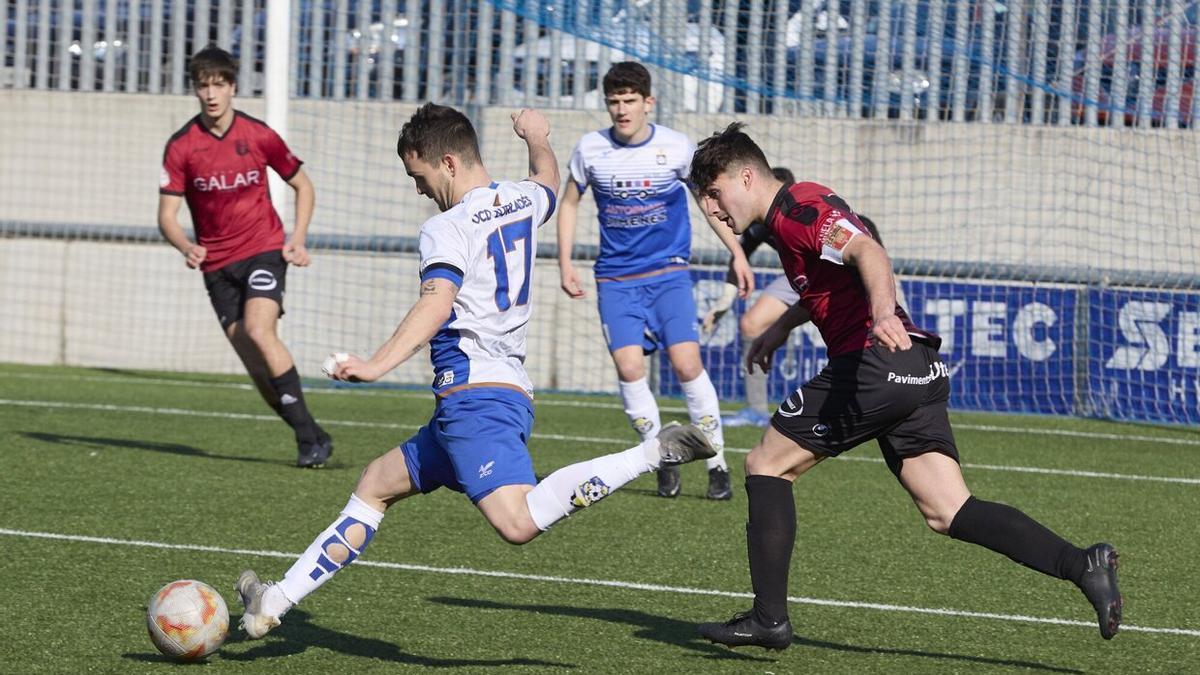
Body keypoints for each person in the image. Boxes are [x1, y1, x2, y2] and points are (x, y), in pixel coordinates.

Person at [234, 104, 717, 638]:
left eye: (419, 176)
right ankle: (273, 601)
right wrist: (537, 136)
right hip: (479, 400)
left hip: (475, 398)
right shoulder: (519, 201)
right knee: (375, 484)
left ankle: (653, 451)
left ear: (446, 161)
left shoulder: (446, 226)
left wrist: (374, 364)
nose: (418, 189)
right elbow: (549, 180)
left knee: (517, 522)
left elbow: (437, 303)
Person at [687, 123, 1122, 650]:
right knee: (948, 509)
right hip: (915, 367)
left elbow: (868, 252)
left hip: (875, 364)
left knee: (765, 464)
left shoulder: (799, 210)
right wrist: (782, 326)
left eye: (714, 193)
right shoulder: (791, 217)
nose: (712, 209)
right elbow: (830, 283)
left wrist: (880, 314)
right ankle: (1084, 564)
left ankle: (768, 620)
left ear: (748, 175)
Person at [556, 62, 754, 500]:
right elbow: (568, 203)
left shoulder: (676, 148)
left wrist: (737, 251)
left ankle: (717, 461)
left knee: (686, 365)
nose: (621, 109)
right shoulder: (590, 150)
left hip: (669, 276)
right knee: (629, 368)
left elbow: (708, 203)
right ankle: (659, 454)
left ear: (649, 103)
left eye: (630, 101)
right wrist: (565, 262)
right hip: (615, 279)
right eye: (614, 101)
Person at [157, 45, 332, 468]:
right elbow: (166, 216)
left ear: (233, 87)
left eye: (219, 84)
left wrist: (299, 239)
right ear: (196, 91)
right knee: (256, 368)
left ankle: (308, 443)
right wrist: (186, 245)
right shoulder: (182, 146)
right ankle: (311, 432)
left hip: (263, 250)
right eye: (204, 86)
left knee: (259, 328)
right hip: (216, 267)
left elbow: (303, 186)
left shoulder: (258, 135)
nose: (212, 94)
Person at [701, 172, 888, 429]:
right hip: (801, 276)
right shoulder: (758, 225)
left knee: (888, 328)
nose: (712, 209)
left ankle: (902, 383)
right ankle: (755, 411)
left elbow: (871, 253)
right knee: (751, 324)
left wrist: (885, 311)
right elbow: (739, 258)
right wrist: (726, 299)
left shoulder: (808, 215)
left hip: (847, 275)